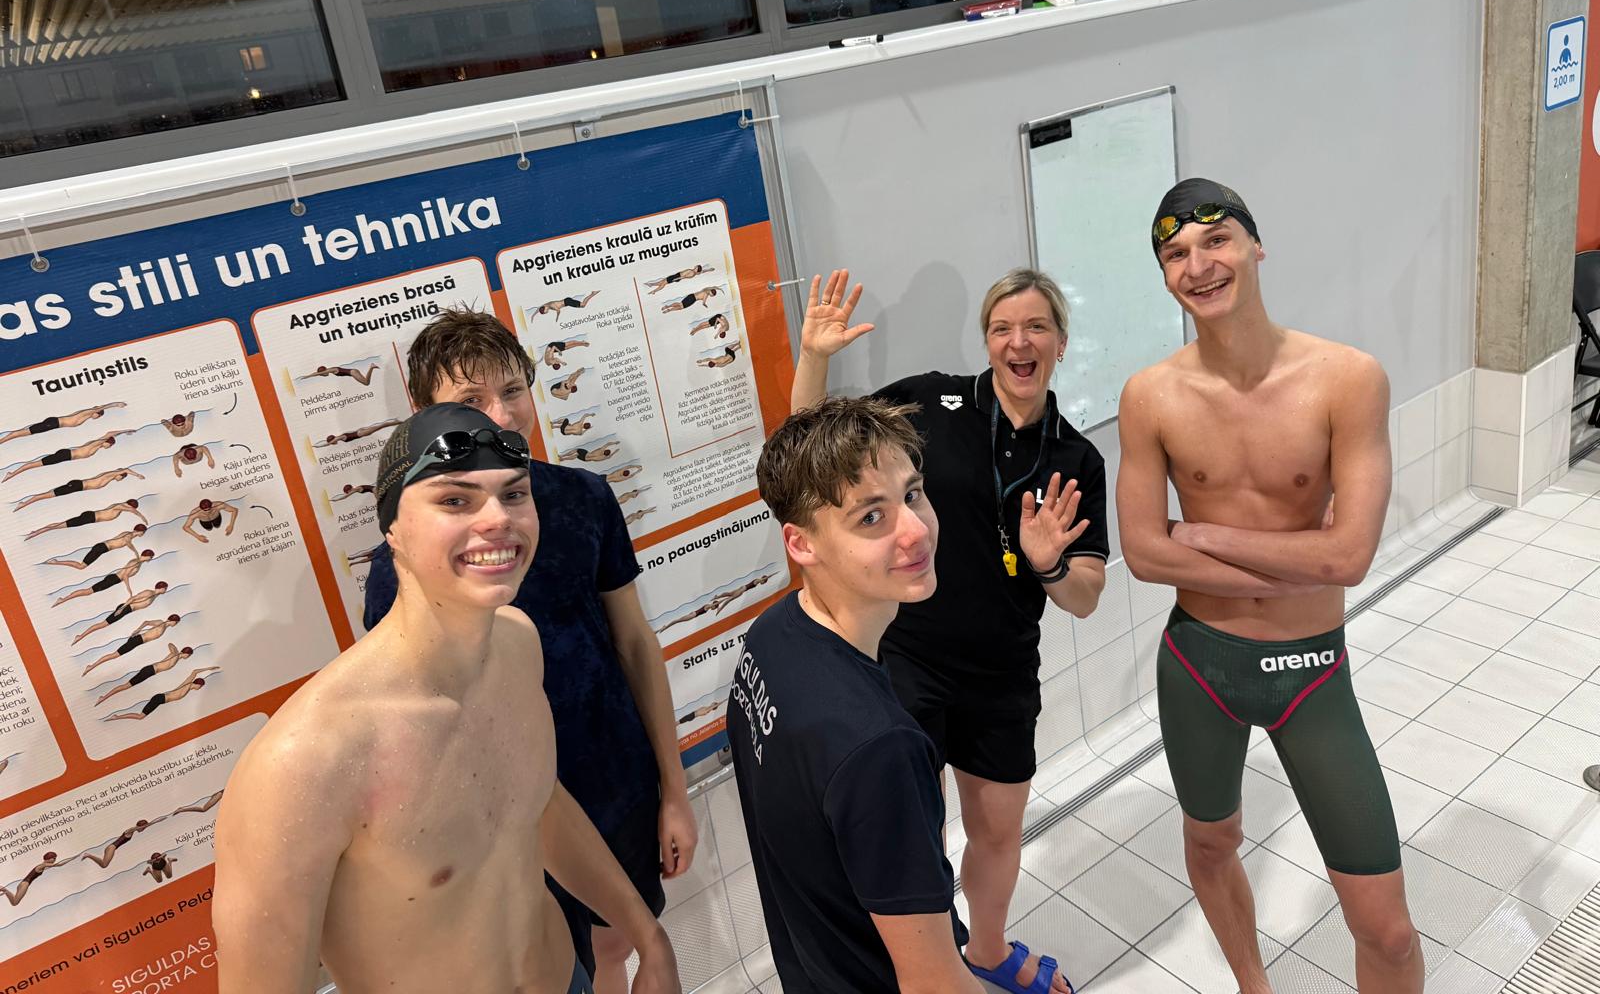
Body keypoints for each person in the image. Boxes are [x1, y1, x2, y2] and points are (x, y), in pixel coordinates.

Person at [214, 403, 680, 994]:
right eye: (455, 500)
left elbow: (535, 804)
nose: (498, 519)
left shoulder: (517, 644)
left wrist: (647, 934)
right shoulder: (305, 762)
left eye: (514, 494)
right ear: (393, 530)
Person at [1118, 178, 1421, 994]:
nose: (1198, 265)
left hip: (1310, 672)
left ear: (1256, 247)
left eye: (1215, 240)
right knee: (1211, 844)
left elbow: (1348, 558)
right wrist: (1298, 556)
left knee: (1388, 932)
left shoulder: (1348, 379)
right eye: (1175, 253)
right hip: (1198, 666)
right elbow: (1143, 554)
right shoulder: (1150, 396)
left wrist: (1204, 533)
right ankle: (1254, 985)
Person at [361, 311, 696, 992]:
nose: (502, 415)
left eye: (513, 390)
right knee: (547, 963)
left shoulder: (583, 498)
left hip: (613, 774)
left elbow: (634, 642)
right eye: (471, 400)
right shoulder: (400, 564)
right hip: (501, 814)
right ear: (425, 416)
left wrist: (674, 787)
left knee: (614, 944)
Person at [793, 268, 1106, 994]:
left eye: (1036, 327)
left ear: (1060, 342)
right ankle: (927, 966)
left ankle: (987, 950)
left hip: (1002, 670)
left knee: (997, 830)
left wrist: (1051, 565)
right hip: (911, 656)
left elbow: (1087, 597)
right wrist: (814, 357)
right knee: (915, 832)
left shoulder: (1074, 458)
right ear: (987, 341)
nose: (1018, 342)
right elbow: (806, 449)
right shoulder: (931, 403)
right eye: (1002, 328)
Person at [730, 397, 985, 993]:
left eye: (912, 494)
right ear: (801, 544)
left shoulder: (773, 635)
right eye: (871, 517)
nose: (916, 530)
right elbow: (934, 983)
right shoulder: (879, 747)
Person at [3, 430, 133, 481]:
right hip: (66, 455)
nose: (109, 447)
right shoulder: (96, 443)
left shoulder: (97, 447)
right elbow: (110, 433)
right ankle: (12, 473)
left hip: (66, 456)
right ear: (107, 442)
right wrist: (125, 431)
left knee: (37, 464)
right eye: (110, 445)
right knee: (37, 464)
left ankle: (13, 473)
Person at [103, 666, 218, 721]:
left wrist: (209, 669)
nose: (199, 689)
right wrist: (209, 668)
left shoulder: (186, 686)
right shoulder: (187, 685)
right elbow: (195, 671)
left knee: (140, 716)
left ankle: (117, 716)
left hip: (160, 699)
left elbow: (194, 672)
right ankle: (117, 717)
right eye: (200, 687)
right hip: (159, 699)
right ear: (198, 684)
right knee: (140, 716)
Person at [83, 614, 184, 675]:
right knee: (114, 655)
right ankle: (91, 666)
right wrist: (138, 630)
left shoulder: (164, 628)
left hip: (138, 641)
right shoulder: (161, 623)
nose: (176, 624)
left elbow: (170, 645)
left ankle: (92, 666)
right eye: (176, 622)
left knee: (114, 655)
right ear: (173, 621)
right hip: (137, 640)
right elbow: (146, 622)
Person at [95, 644, 195, 705]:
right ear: (187, 654)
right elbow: (170, 644)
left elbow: (171, 646)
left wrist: (176, 652)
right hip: (149, 671)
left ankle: (104, 697)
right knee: (126, 686)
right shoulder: (175, 656)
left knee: (126, 686)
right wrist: (176, 652)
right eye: (189, 656)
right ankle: (103, 697)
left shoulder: (175, 656)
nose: (188, 657)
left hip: (149, 671)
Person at [17, 467, 143, 510]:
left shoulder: (109, 479)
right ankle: (25, 503)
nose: (120, 480)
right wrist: (137, 475)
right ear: (120, 474)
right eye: (122, 477)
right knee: (49, 494)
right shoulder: (110, 475)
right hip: (78, 485)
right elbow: (126, 469)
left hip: (78, 487)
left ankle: (26, 502)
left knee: (50, 495)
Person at [0, 403, 125, 444]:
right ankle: (3, 440)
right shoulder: (87, 412)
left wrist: (122, 433)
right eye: (98, 415)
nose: (97, 417)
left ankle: (4, 439)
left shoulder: (86, 417)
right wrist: (116, 405)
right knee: (25, 432)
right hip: (54, 423)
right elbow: (102, 407)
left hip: (54, 424)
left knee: (27, 432)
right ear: (96, 412)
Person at [26, 498, 146, 539]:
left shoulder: (120, 508)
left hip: (90, 518)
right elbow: (132, 511)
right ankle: (37, 532)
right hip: (90, 517)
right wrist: (143, 518)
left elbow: (130, 510)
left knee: (62, 525)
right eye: (131, 507)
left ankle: (37, 531)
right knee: (61, 525)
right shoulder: (119, 506)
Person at [44, 524, 146, 568]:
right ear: (140, 531)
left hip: (101, 547)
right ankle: (55, 562)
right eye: (143, 532)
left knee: (81, 566)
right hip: (101, 548)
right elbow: (128, 543)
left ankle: (56, 562)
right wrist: (136, 553)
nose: (143, 534)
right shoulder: (129, 536)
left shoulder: (127, 533)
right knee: (81, 566)